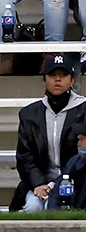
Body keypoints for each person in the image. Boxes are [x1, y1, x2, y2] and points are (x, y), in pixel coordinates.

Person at [18, 57, 86, 210]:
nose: (57, 79)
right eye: (52, 75)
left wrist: (60, 183)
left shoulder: (84, 110)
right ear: (44, 80)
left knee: (58, 206)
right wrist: (38, 183)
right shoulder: (29, 114)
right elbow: (24, 157)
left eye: (63, 75)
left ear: (72, 81)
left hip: (76, 183)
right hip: (40, 184)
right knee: (32, 208)